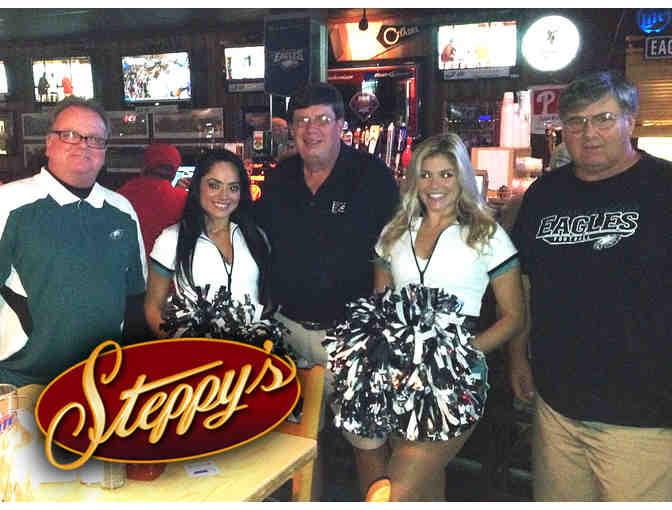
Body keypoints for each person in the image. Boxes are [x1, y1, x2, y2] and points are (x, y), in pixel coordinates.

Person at [327, 133, 525, 501]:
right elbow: (381, 307)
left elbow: (513, 316)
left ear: (462, 178)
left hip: (455, 378)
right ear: (414, 179)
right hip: (397, 376)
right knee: (425, 491)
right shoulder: (395, 232)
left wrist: (458, 355)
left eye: (446, 174)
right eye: (426, 174)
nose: (435, 185)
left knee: (394, 493)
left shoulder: (486, 233)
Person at [509, 71, 672, 501]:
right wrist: (518, 353)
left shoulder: (664, 187)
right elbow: (526, 282)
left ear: (630, 121)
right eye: (576, 122)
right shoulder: (544, 194)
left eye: (603, 119)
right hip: (557, 405)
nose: (589, 133)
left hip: (643, 413)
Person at [254, 82, 399, 498]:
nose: (311, 129)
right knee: (300, 446)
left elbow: (394, 249)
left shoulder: (372, 177)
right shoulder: (280, 178)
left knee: (368, 442)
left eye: (321, 119)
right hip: (290, 332)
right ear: (291, 129)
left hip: (353, 338)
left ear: (340, 125)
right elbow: (255, 239)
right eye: (301, 121)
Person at [0, 96, 146, 385]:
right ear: (49, 144)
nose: (83, 145)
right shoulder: (9, 203)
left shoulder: (123, 211)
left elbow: (134, 299)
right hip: (24, 381)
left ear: (105, 151)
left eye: (94, 139)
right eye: (69, 135)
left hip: (101, 380)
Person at [145, 149, 271, 339]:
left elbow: (266, 299)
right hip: (199, 354)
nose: (224, 196)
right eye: (214, 185)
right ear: (198, 186)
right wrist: (181, 346)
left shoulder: (256, 236)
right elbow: (153, 309)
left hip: (252, 353)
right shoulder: (171, 239)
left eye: (233, 188)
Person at [117, 143, 188, 260]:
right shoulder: (184, 199)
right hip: (163, 267)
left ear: (144, 165)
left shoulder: (121, 194)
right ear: (175, 171)